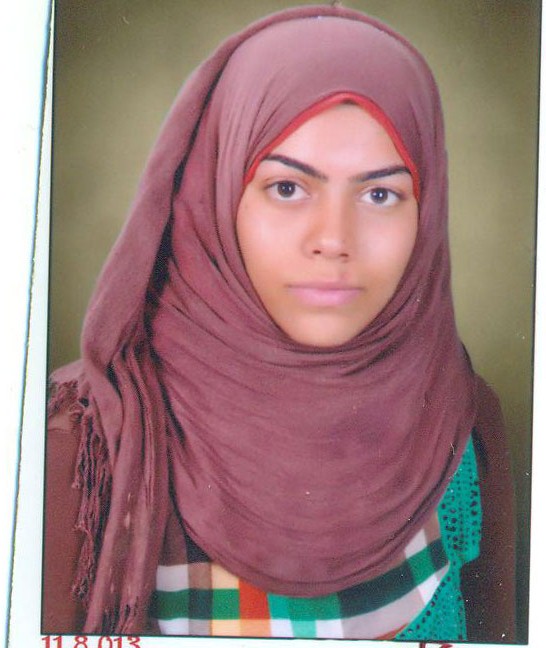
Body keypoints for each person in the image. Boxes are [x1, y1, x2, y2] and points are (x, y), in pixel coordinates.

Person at [42, 4, 516, 642]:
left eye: (380, 194)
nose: (334, 239)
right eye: (288, 188)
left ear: (425, 212)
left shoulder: (462, 417)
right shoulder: (90, 439)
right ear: (213, 195)